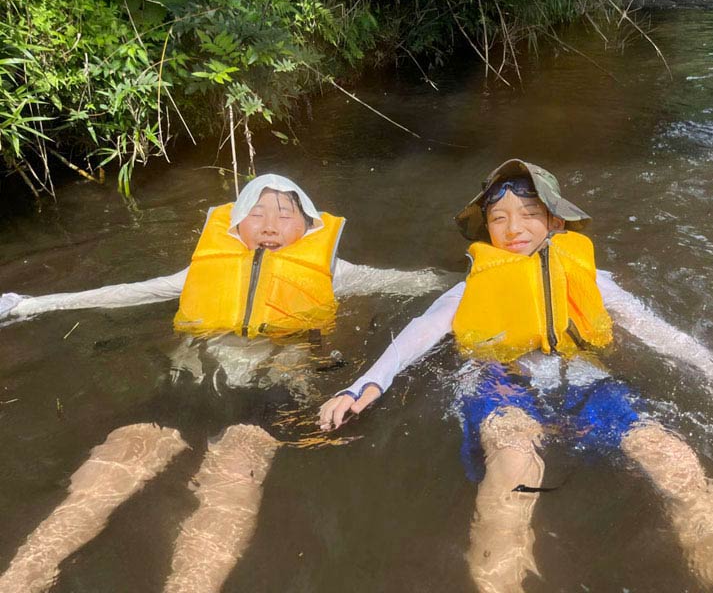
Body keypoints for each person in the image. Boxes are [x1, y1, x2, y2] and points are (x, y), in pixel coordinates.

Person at [319, 159, 713, 593]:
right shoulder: (470, 288)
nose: (514, 228)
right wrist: (362, 387)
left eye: (530, 214)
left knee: (672, 455)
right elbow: (415, 337)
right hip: (499, 382)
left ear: (555, 221)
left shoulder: (594, 281)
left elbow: (661, 334)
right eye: (499, 218)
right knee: (513, 459)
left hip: (585, 382)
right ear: (486, 230)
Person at [0, 174, 448, 593]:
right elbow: (123, 291)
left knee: (233, 472)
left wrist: (480, 284)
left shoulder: (335, 271)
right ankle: (21, 578)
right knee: (115, 463)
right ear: (236, 225)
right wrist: (31, 304)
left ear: (308, 226)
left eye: (285, 214)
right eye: (257, 213)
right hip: (184, 386)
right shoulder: (200, 270)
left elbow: (413, 284)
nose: (270, 225)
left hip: (272, 394)